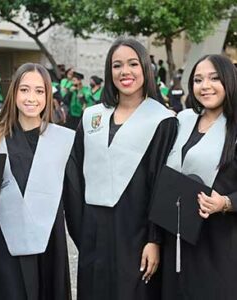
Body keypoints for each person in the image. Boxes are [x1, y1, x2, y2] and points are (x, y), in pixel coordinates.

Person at [63, 37, 177, 300]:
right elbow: (74, 175)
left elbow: (161, 186)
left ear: (146, 68)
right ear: (108, 71)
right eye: (117, 65)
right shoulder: (92, 116)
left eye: (133, 64)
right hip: (93, 232)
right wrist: (81, 228)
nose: (125, 72)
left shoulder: (162, 121)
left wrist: (154, 239)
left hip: (135, 233)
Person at [0, 63, 74, 300]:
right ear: (13, 93)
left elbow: (75, 199)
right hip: (5, 241)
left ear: (48, 95)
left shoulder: (63, 140)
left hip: (49, 241)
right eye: (24, 90)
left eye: (39, 91)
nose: (31, 98)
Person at [161, 54, 237, 299]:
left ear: (230, 80)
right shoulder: (182, 121)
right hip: (177, 235)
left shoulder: (234, 128)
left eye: (214, 78)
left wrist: (226, 203)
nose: (205, 86)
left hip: (218, 242)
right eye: (198, 80)